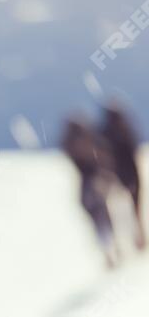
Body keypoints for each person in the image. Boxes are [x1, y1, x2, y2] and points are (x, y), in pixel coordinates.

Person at [65, 112, 123, 269]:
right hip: (93, 186)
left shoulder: (79, 144)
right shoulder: (89, 145)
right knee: (102, 218)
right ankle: (111, 251)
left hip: (91, 187)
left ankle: (111, 251)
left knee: (101, 219)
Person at [102, 99, 146, 250]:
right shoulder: (124, 127)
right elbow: (133, 146)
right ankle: (138, 237)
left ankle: (129, 240)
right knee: (134, 208)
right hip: (131, 173)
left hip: (118, 176)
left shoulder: (106, 131)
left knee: (123, 211)